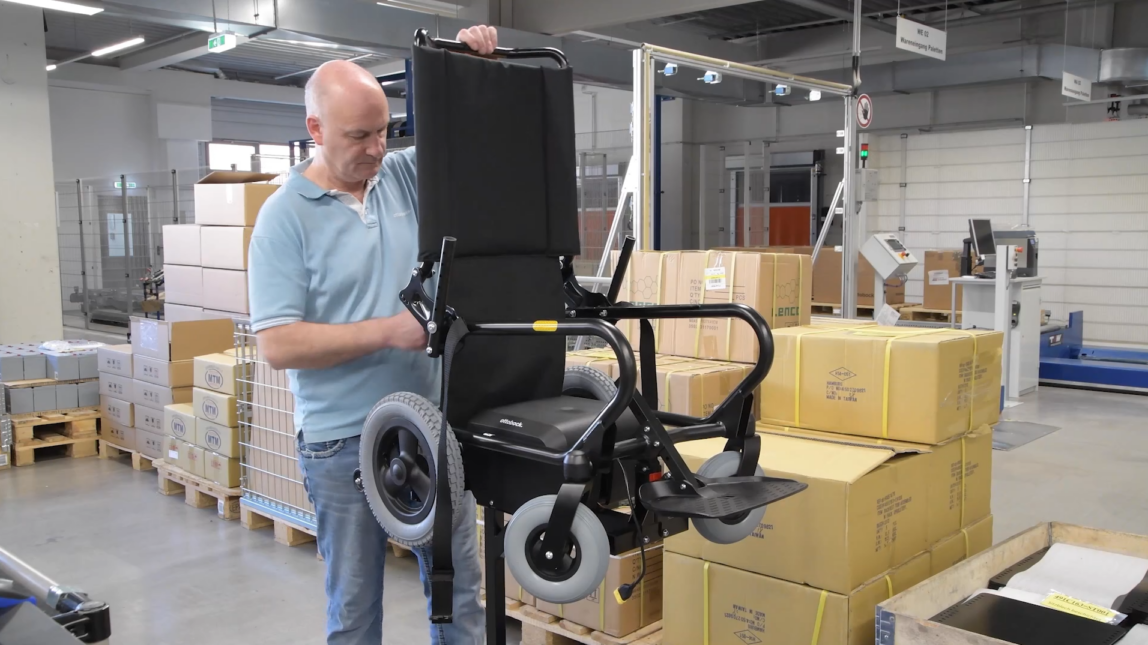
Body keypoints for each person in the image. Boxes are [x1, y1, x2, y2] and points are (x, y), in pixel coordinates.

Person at [247, 25, 500, 645]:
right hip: (341, 444)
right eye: (359, 136)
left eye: (384, 130)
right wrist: (387, 331)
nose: (377, 148)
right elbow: (278, 344)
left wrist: (467, 68)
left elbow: (468, 140)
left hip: (429, 427)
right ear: (315, 130)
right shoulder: (283, 219)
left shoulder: (402, 176)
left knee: (460, 596)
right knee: (356, 611)